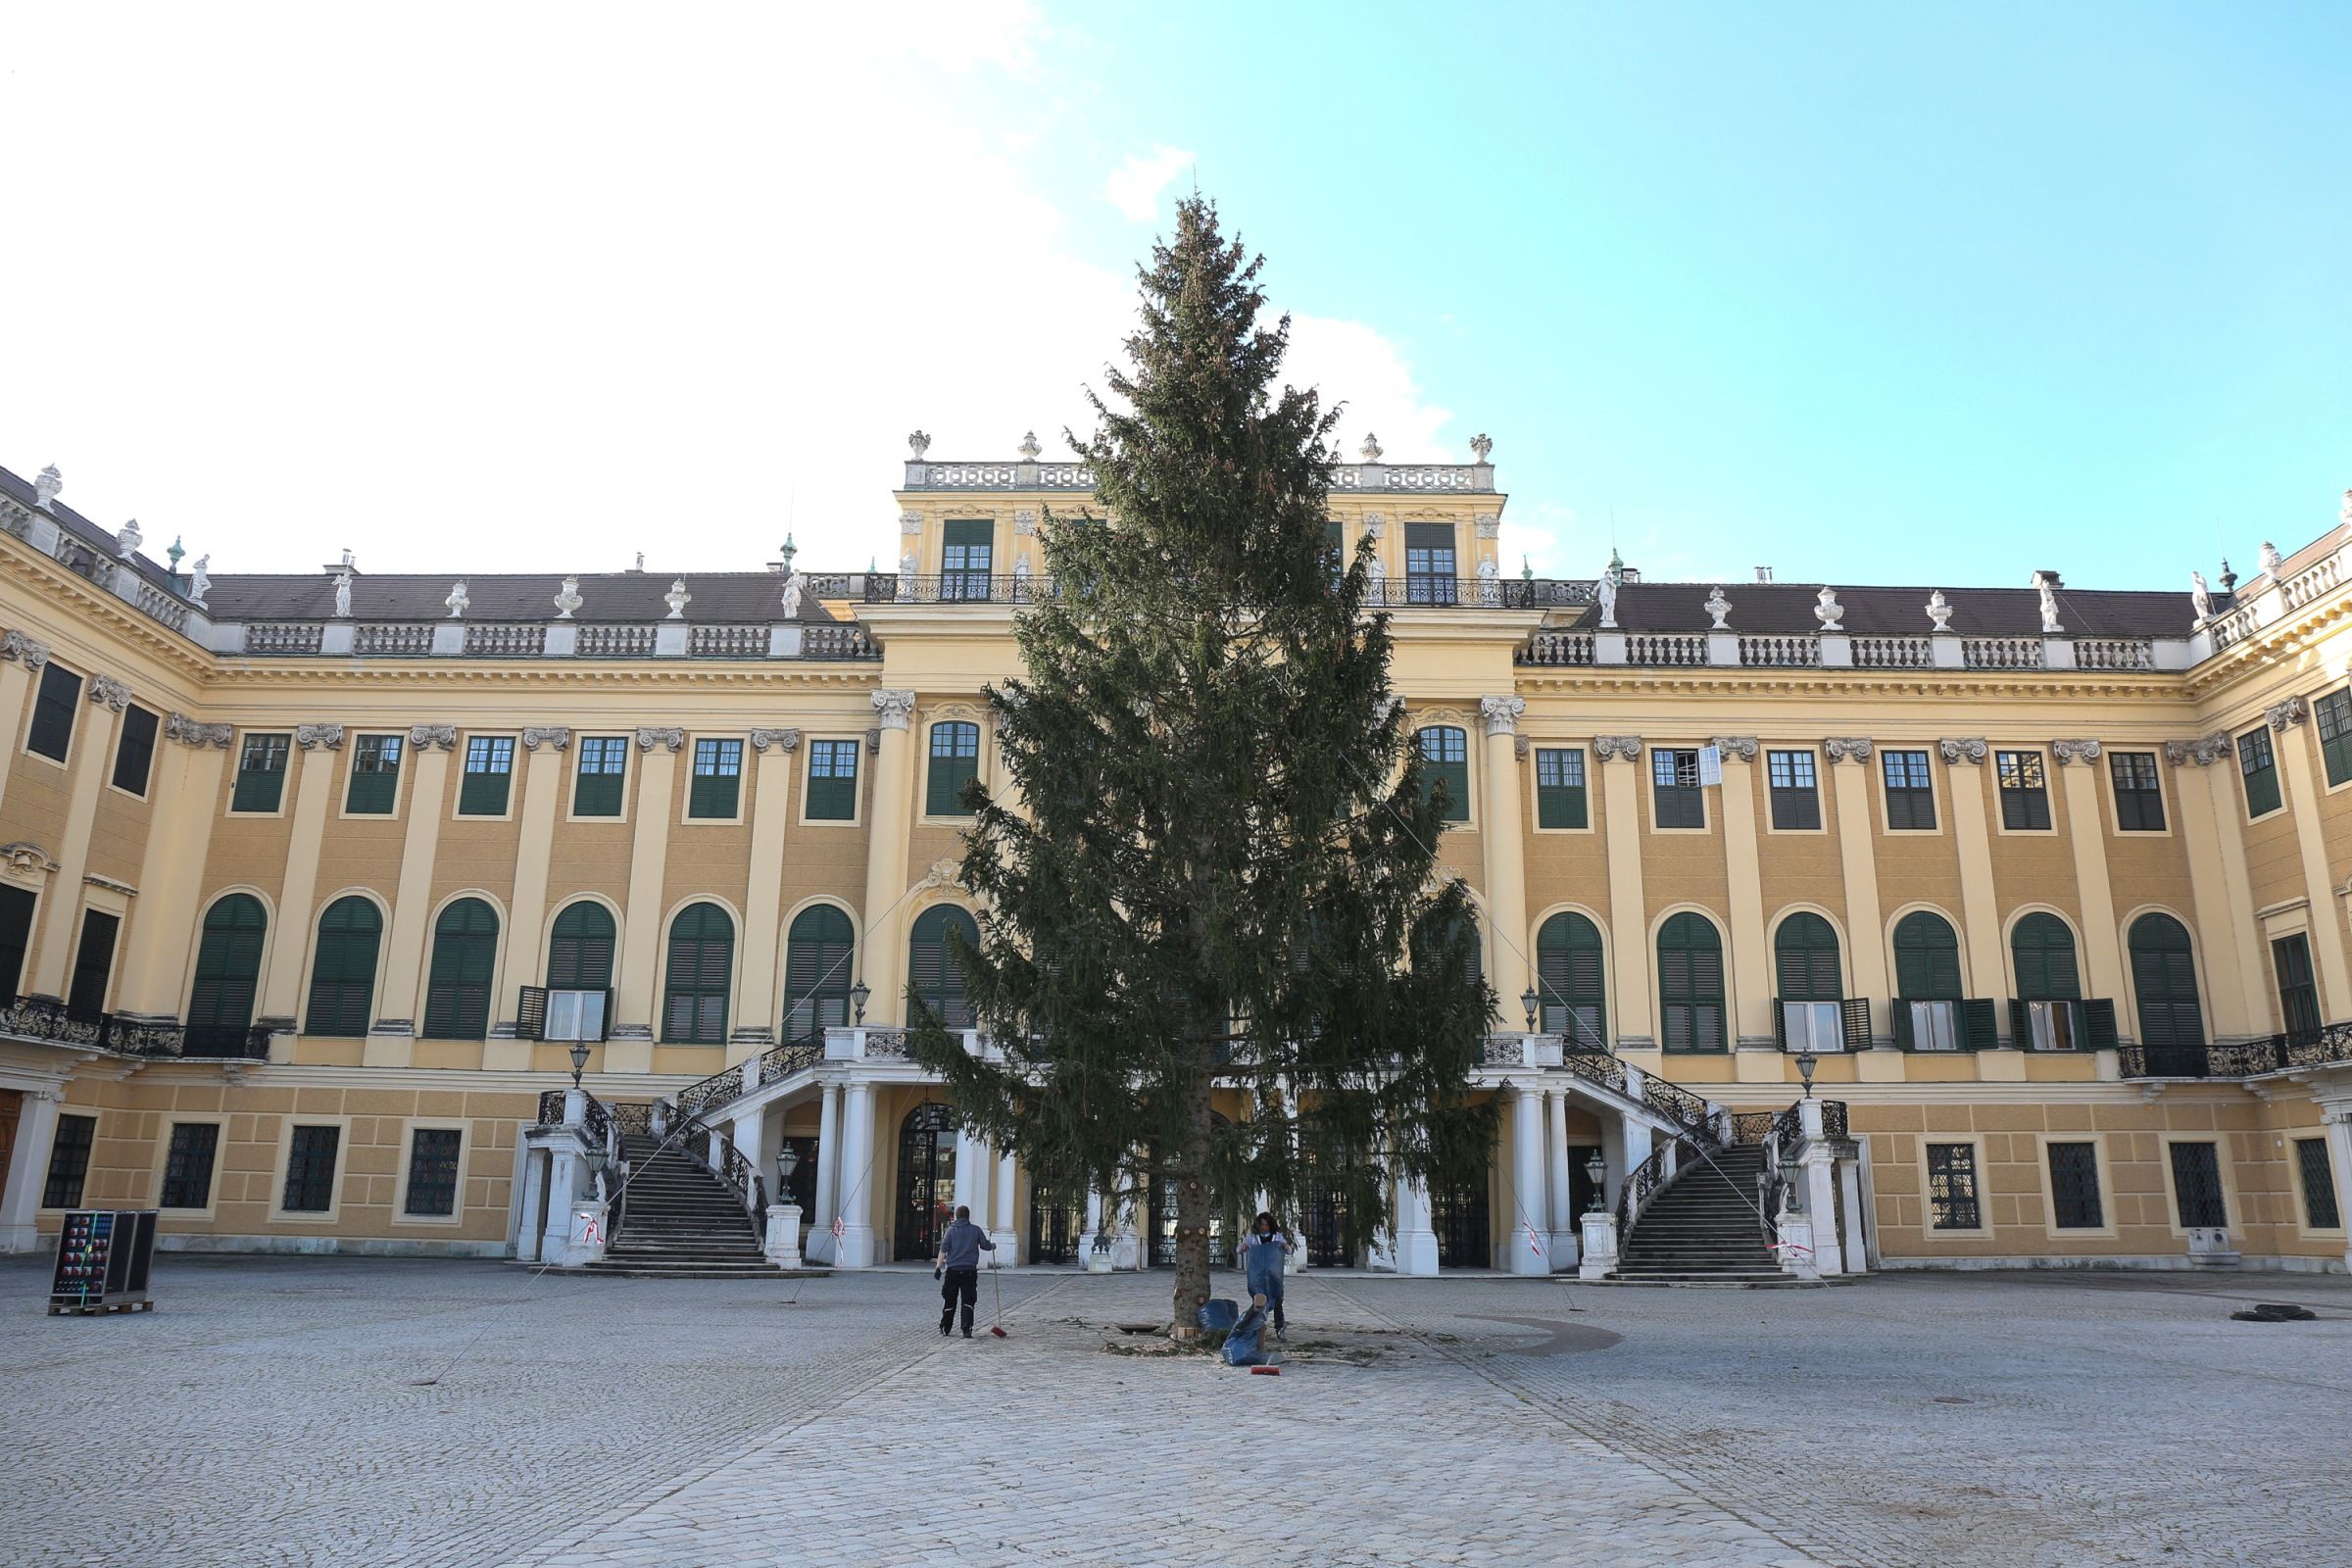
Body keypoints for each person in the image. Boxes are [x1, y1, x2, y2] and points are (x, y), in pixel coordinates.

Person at [933, 1203, 996, 1338]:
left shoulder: (950, 1230)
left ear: (956, 1216)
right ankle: (967, 1329)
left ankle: (946, 1327)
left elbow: (943, 1250)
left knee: (950, 1299)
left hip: (953, 1271)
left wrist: (938, 1267)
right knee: (968, 1300)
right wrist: (992, 1246)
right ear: (968, 1216)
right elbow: (985, 1246)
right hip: (969, 1271)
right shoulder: (975, 1230)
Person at [1235, 1212, 1297, 1340]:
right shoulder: (1252, 1238)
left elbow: (1289, 1250)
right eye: (1262, 1225)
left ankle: (1280, 1328)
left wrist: (1285, 1246)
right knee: (1258, 1303)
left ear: (1271, 1225)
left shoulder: (1277, 1237)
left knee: (1277, 1302)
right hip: (1258, 1278)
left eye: (1267, 1225)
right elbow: (1239, 1250)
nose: (1264, 1227)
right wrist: (1244, 1246)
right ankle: (1252, 1327)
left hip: (1273, 1277)